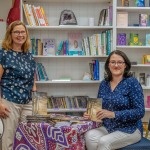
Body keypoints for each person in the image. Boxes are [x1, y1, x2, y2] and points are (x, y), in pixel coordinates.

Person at [84, 50, 145, 150]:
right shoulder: (104, 84)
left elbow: (140, 111)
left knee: (104, 142)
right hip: (108, 127)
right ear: (108, 65)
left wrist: (113, 114)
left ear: (125, 65)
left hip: (130, 129)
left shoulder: (132, 82)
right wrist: (91, 114)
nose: (116, 65)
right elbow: (101, 108)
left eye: (120, 62)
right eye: (113, 62)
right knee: (89, 136)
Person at [0, 20, 36, 150]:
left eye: (22, 32)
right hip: (9, 102)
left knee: (27, 139)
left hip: (27, 103)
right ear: (10, 34)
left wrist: (35, 98)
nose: (20, 35)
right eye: (16, 32)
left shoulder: (29, 55)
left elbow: (33, 78)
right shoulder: (3, 54)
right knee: (8, 139)